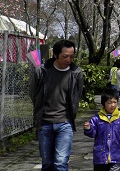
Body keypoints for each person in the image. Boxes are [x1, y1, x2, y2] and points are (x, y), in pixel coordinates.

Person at [29, 39, 84, 171]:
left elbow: (77, 95)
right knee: (47, 163)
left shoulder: (76, 73)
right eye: (65, 56)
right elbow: (33, 94)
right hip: (45, 123)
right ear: (55, 55)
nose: (69, 59)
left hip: (65, 123)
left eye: (71, 56)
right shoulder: (41, 71)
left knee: (60, 162)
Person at [84, 88, 120, 171]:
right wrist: (88, 128)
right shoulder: (97, 118)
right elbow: (92, 133)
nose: (113, 105)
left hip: (116, 154)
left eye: (115, 102)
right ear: (104, 103)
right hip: (100, 155)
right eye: (109, 103)